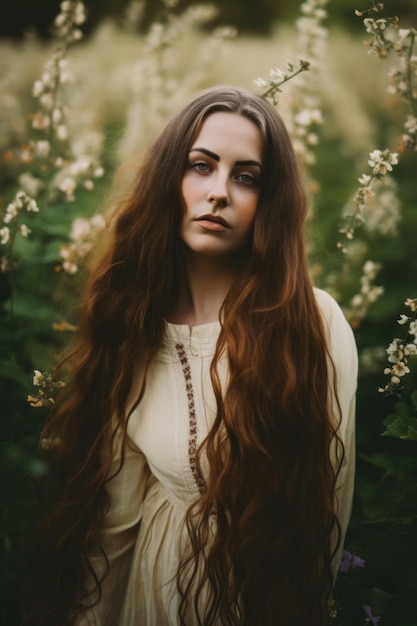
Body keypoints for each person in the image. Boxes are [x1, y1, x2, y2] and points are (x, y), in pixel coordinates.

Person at [29, 86, 357, 626]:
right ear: (167, 181)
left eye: (246, 176)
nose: (219, 192)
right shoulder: (130, 324)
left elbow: (327, 518)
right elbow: (112, 526)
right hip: (150, 596)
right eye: (200, 166)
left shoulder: (313, 324)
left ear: (268, 203)